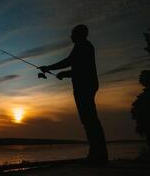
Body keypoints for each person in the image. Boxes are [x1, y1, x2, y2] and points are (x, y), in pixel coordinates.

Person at [39, 24, 108, 164]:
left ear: (79, 35)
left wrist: (50, 68)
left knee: (89, 120)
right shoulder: (83, 46)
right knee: (89, 120)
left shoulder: (83, 46)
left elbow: (71, 63)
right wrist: (64, 73)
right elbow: (77, 67)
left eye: (73, 33)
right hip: (86, 85)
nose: (70, 36)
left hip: (85, 87)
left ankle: (98, 155)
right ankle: (98, 154)